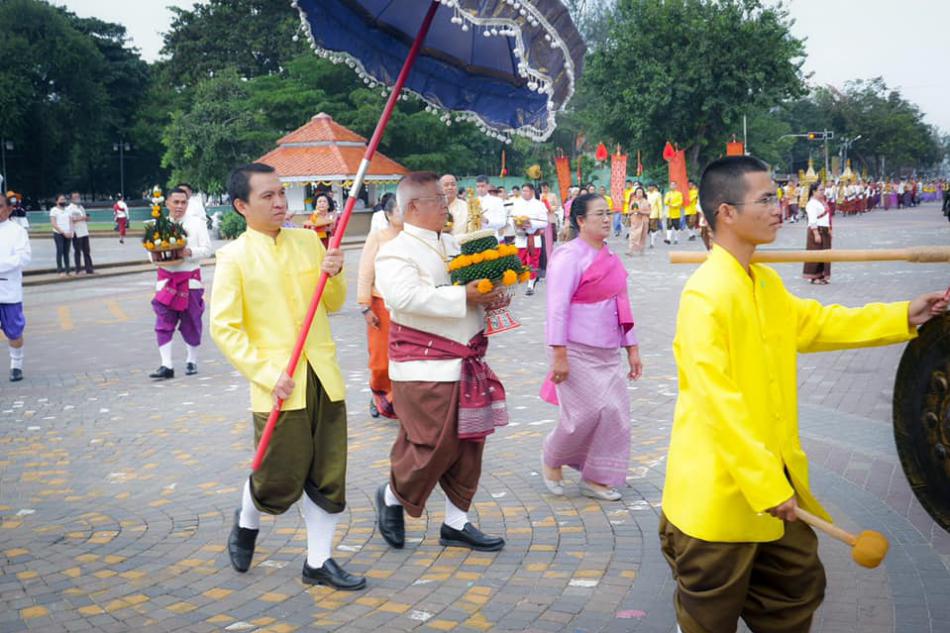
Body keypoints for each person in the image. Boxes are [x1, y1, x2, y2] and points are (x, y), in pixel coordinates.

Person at [659, 154, 949, 633]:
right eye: (766, 199)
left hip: (779, 483)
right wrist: (766, 487)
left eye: (778, 197)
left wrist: (905, 315)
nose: (780, 208)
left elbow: (819, 324)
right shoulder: (705, 296)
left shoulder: (764, 283)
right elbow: (718, 405)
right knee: (707, 619)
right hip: (722, 496)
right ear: (726, 213)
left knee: (794, 598)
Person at [210, 163, 365, 591]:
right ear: (242, 205)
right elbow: (224, 327)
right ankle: (247, 518)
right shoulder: (234, 257)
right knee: (277, 476)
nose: (280, 202)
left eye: (282, 194)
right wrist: (264, 372)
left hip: (323, 375)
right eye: (267, 196)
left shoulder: (307, 242)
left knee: (328, 473)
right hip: (279, 384)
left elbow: (330, 304)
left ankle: (319, 561)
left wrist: (333, 271)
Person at [374, 171, 508, 554]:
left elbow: (475, 288)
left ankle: (456, 522)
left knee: (469, 444)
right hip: (424, 366)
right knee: (431, 446)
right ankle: (392, 495)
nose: (446, 205)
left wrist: (493, 296)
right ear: (413, 206)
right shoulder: (396, 250)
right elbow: (404, 299)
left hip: (468, 359)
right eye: (438, 199)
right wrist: (462, 297)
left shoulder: (454, 242)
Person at [541, 193, 642, 501]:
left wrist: (632, 348)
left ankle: (596, 478)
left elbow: (622, 303)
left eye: (608, 213)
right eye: (598, 214)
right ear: (581, 221)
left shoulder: (612, 257)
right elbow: (557, 308)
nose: (606, 219)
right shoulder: (568, 256)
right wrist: (559, 353)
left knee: (614, 414)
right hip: (575, 349)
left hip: (607, 350)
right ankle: (551, 456)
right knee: (582, 415)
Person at [148, 187, 214, 379]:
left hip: (190, 280)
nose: (179, 206)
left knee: (192, 321)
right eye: (175, 202)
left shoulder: (197, 223)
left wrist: (189, 252)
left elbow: (208, 249)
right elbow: (150, 252)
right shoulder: (159, 224)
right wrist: (156, 255)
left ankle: (191, 360)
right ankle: (166, 365)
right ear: (167, 203)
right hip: (166, 280)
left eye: (183, 202)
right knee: (163, 320)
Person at [357, 195, 402, 419]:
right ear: (389, 214)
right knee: (380, 361)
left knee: (403, 357)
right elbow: (365, 272)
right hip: (380, 305)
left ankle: (399, 402)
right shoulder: (378, 237)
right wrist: (365, 307)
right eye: (400, 210)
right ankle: (378, 395)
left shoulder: (415, 237)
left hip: (407, 306)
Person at [0, 193, 31, 382]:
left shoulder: (17, 231)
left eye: (0, 206)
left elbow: (23, 258)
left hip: (9, 291)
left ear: (9, 208)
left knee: (14, 331)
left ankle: (16, 365)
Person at [512, 183, 548, 295]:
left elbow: (544, 222)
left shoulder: (539, 205)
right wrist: (518, 224)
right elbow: (511, 218)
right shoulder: (517, 203)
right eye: (523, 190)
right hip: (521, 237)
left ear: (532, 192)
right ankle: (519, 283)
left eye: (526, 191)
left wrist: (531, 223)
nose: (524, 193)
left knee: (533, 261)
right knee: (520, 260)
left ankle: (531, 284)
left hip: (534, 237)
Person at [803, 183, 831, 284]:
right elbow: (812, 220)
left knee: (824, 253)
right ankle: (814, 277)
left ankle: (821, 275)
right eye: (820, 190)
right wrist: (816, 234)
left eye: (823, 190)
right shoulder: (812, 204)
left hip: (824, 229)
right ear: (814, 191)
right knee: (816, 253)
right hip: (817, 230)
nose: (823, 192)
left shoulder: (821, 202)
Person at [474, 175, 509, 240]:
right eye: (478, 186)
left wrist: (487, 221)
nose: (480, 189)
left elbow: (502, 222)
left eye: (482, 186)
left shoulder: (497, 201)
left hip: (491, 238)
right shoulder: (472, 202)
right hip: (475, 238)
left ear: (488, 186)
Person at [66, 192, 94, 275]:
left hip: (84, 231)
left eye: (78, 196)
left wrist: (86, 218)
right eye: (75, 197)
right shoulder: (69, 208)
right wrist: (82, 218)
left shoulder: (81, 207)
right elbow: (71, 219)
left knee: (87, 251)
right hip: (76, 232)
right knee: (77, 251)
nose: (77, 198)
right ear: (71, 199)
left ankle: (89, 269)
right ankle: (78, 269)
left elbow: (84, 217)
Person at [49, 194, 73, 277]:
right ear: (57, 201)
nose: (63, 201)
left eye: (64, 199)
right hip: (58, 233)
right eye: (61, 199)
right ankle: (60, 270)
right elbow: (53, 223)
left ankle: (68, 270)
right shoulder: (54, 210)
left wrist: (70, 231)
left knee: (67, 252)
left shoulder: (67, 210)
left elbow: (70, 221)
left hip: (68, 233)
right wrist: (63, 232)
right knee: (60, 251)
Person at [626, 187, 650, 255]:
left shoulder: (646, 202)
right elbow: (629, 212)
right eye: (637, 192)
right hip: (635, 222)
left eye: (640, 192)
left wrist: (640, 211)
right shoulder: (633, 202)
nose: (639, 194)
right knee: (633, 236)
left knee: (643, 236)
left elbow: (649, 212)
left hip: (644, 221)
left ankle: (641, 250)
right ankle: (631, 250)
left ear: (643, 193)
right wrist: (633, 211)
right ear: (635, 194)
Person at [646, 184, 663, 249]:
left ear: (653, 187)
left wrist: (660, 215)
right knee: (646, 230)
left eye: (650, 186)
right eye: (648, 186)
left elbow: (660, 205)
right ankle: (653, 238)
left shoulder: (657, 194)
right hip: (646, 214)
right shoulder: (646, 194)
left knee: (653, 228)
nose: (649, 187)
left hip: (654, 214)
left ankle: (652, 243)